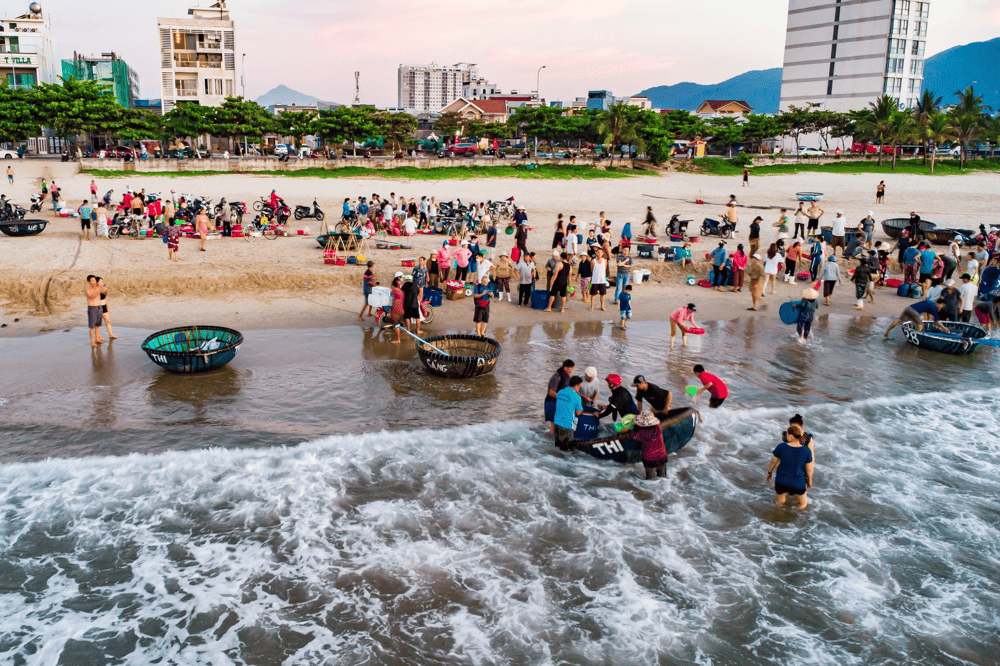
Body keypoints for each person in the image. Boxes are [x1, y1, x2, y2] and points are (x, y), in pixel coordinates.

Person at [766, 424, 814, 509]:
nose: (786, 436)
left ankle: (779, 516)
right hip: (798, 482)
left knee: (780, 502)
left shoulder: (781, 447)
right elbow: (809, 469)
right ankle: (796, 516)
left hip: (782, 481)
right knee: (802, 503)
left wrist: (769, 473)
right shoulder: (806, 450)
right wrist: (809, 481)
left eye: (787, 434)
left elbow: (773, 461)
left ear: (791, 436)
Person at [884, 299, 949, 338]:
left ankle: (886, 332)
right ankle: (917, 339)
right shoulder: (935, 308)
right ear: (940, 304)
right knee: (920, 326)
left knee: (898, 320)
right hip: (914, 312)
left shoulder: (931, 302)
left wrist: (926, 319)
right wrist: (944, 328)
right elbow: (937, 321)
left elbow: (928, 314)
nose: (942, 307)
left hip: (908, 308)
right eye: (942, 306)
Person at [633, 411, 669, 480]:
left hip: (649, 459)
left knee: (650, 479)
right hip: (661, 456)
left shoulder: (640, 433)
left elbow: (633, 435)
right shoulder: (658, 428)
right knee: (662, 478)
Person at [553, 376, 584, 452]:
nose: (579, 388)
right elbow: (578, 412)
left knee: (558, 447)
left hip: (556, 423)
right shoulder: (577, 397)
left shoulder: (560, 392)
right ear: (576, 386)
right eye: (579, 386)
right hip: (567, 425)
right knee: (567, 450)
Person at [545, 360, 576, 426]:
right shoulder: (556, 377)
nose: (572, 371)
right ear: (565, 368)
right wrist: (564, 398)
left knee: (559, 425)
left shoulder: (567, 376)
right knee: (553, 426)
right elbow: (551, 393)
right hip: (551, 403)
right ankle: (549, 435)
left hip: (559, 403)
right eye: (571, 368)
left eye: (573, 368)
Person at [85, 276, 104, 347]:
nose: (94, 282)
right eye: (92, 281)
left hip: (99, 307)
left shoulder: (98, 287)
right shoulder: (87, 289)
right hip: (92, 308)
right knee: (92, 326)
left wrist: (102, 285)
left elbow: (105, 292)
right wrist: (99, 289)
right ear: (89, 282)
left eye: (95, 281)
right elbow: (92, 296)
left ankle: (97, 339)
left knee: (97, 325)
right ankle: (92, 341)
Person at [388, 277, 405, 344]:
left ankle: (398, 339)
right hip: (401, 309)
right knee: (399, 325)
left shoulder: (394, 290)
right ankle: (400, 337)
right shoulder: (401, 292)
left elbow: (390, 296)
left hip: (396, 309)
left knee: (396, 325)